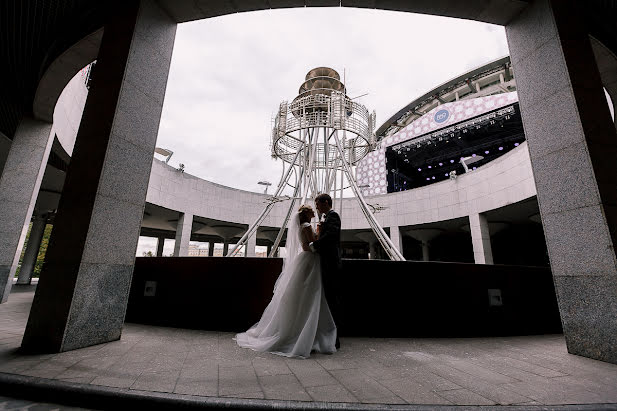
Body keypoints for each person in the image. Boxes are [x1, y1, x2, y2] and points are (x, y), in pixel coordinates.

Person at [235, 205, 337, 358]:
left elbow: (307, 244)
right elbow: (309, 246)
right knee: (311, 293)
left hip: (305, 261)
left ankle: (301, 329)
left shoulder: (303, 226)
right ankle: (306, 333)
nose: (313, 211)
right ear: (306, 214)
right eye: (311, 210)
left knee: (303, 294)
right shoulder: (307, 226)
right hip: (310, 261)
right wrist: (320, 233)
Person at [310, 193, 342, 349]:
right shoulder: (327, 217)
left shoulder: (333, 216)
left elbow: (331, 236)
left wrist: (314, 245)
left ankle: (334, 338)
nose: (316, 208)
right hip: (326, 263)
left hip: (331, 264)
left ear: (326, 202)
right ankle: (328, 336)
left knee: (331, 299)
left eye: (318, 204)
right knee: (327, 299)